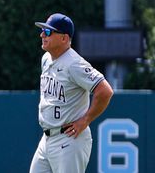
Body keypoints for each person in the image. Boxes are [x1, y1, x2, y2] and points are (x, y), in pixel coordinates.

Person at [29, 13, 114, 173]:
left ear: (64, 38)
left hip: (68, 139)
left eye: (48, 32)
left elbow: (105, 91)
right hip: (46, 139)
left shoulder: (74, 64)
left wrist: (85, 120)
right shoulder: (46, 58)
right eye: (43, 31)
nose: (42, 35)